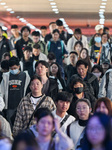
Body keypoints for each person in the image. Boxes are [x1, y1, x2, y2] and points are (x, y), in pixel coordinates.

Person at [0, 56, 30, 128]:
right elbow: (1, 91)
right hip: (9, 105)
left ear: (19, 66)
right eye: (11, 69)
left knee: (21, 124)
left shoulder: (25, 75)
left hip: (21, 104)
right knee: (10, 125)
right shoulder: (6, 76)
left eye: (15, 68)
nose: (13, 70)